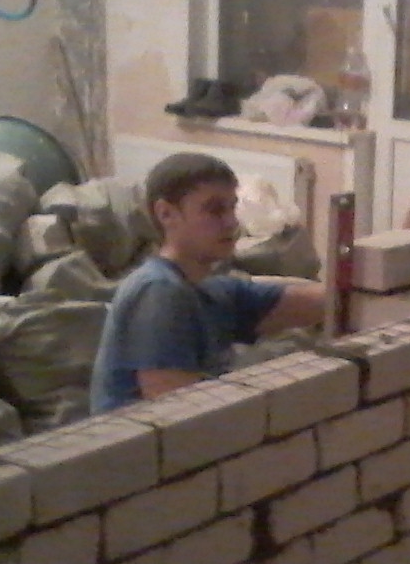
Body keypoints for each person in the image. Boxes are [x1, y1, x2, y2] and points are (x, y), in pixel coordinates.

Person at [90, 152, 325, 412]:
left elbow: (320, 301)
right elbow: (177, 413)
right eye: (214, 210)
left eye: (232, 207)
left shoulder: (211, 290)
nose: (231, 222)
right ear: (166, 213)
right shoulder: (159, 291)